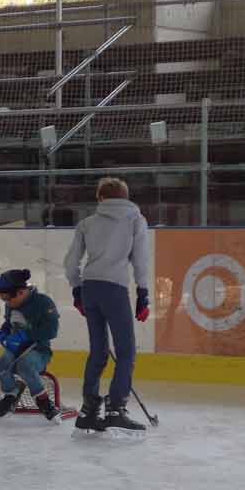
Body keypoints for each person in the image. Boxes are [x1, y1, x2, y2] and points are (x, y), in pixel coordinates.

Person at [65, 177, 150, 435]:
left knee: (98, 352)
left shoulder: (87, 223)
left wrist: (77, 289)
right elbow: (140, 258)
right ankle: (115, 409)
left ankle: (88, 411)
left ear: (101, 198)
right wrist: (143, 292)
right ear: (126, 197)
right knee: (126, 352)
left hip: (90, 288)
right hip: (115, 289)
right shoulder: (135, 220)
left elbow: (71, 262)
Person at [0, 268, 61, 421]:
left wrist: (26, 336)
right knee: (2, 363)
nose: (7, 302)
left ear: (21, 292)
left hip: (38, 351)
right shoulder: (11, 304)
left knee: (25, 365)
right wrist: (3, 332)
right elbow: (9, 323)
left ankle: (43, 400)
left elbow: (52, 331)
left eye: (7, 298)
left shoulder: (43, 303)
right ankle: (11, 394)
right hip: (15, 350)